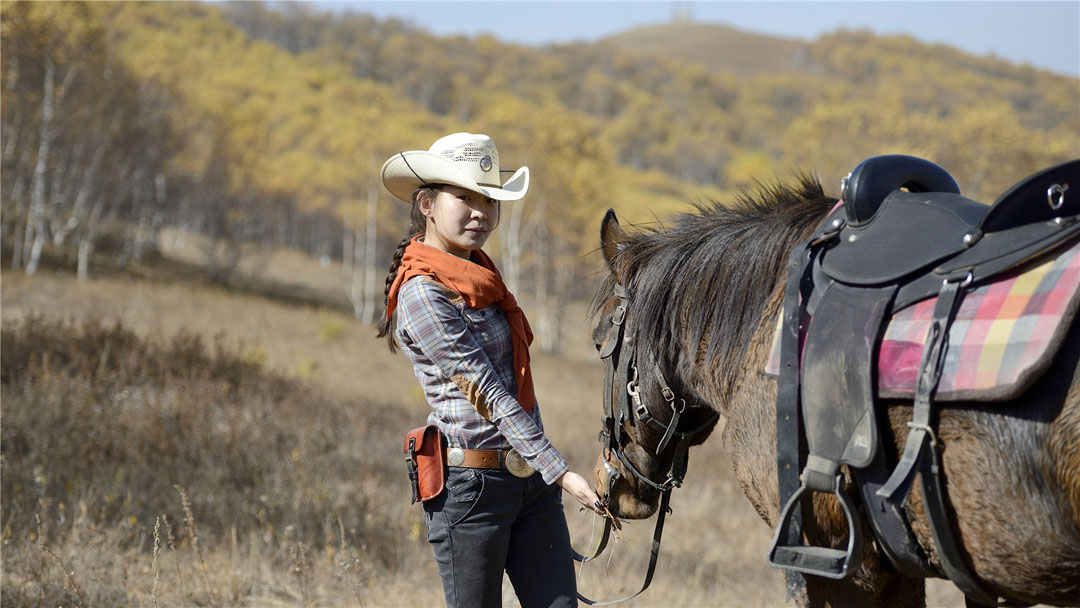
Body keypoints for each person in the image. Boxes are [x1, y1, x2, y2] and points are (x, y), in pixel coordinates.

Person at [377, 132, 600, 608]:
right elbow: (486, 390)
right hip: (472, 489)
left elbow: (517, 384)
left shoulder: (482, 277)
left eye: (489, 200)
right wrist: (560, 471)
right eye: (465, 198)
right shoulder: (423, 294)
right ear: (427, 205)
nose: (480, 212)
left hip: (530, 484)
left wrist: (543, 472)